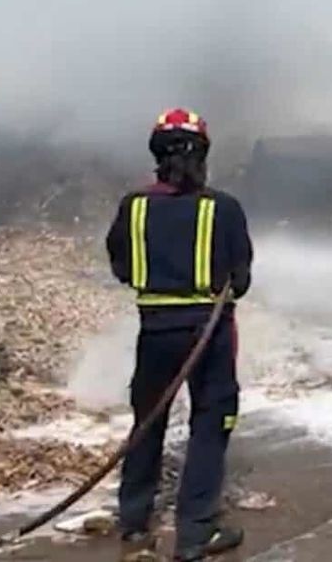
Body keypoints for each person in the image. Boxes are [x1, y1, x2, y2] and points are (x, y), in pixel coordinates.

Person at [105, 108, 253, 561]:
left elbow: (122, 267)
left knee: (148, 420)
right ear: (202, 155)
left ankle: (134, 522)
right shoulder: (223, 208)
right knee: (211, 421)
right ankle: (195, 532)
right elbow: (241, 280)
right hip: (209, 334)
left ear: (156, 156)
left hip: (154, 333)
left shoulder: (133, 207)